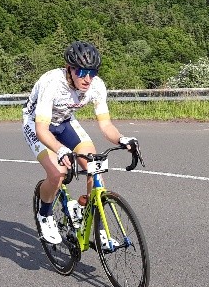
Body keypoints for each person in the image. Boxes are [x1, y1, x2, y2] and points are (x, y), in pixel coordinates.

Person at [22, 40, 137, 244]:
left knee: (94, 167)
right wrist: (60, 149)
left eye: (92, 73)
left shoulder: (96, 86)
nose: (87, 79)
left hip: (66, 122)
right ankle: (45, 214)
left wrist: (122, 139)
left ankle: (97, 226)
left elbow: (106, 125)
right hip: (37, 124)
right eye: (82, 72)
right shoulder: (52, 83)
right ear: (69, 68)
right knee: (58, 173)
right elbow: (41, 130)